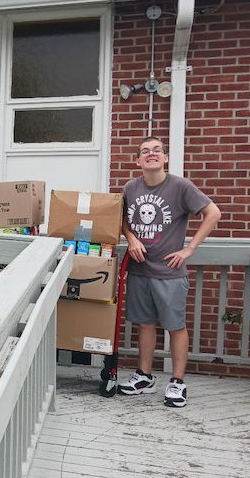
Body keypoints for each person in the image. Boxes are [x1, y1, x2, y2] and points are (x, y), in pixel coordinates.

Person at [118, 136, 221, 407]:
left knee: (175, 326)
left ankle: (177, 382)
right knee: (145, 324)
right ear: (137, 161)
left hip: (170, 271)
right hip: (140, 270)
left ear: (165, 158)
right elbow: (122, 221)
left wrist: (189, 250)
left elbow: (213, 213)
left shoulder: (181, 186)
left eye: (157, 150)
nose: (151, 154)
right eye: (145, 151)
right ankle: (145, 376)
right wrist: (131, 238)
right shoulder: (130, 187)